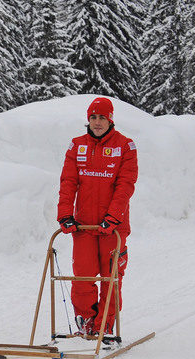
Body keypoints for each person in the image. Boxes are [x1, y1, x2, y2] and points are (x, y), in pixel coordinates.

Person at [57, 96, 138, 336]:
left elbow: (126, 184)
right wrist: (65, 214)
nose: (97, 122)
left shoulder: (125, 145)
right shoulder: (76, 145)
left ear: (110, 119)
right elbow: (68, 182)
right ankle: (87, 324)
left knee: (110, 278)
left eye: (102, 117)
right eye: (93, 117)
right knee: (82, 278)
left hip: (113, 226)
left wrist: (113, 216)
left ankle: (104, 326)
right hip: (84, 226)